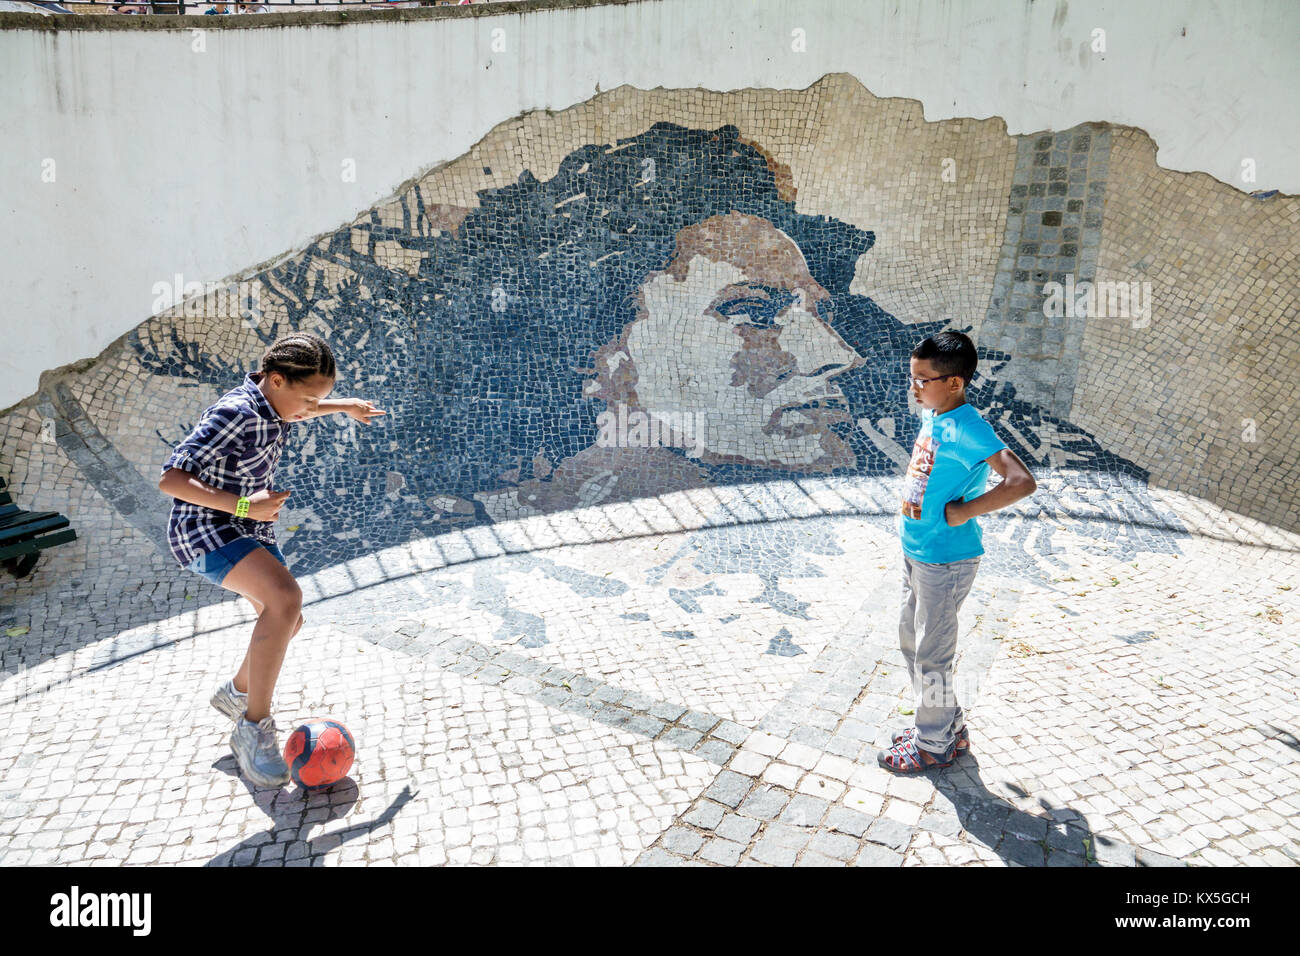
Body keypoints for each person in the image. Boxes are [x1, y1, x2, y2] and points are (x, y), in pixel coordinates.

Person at [157, 332, 386, 787]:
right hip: (205, 529)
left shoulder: (275, 402)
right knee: (286, 600)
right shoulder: (234, 413)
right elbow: (171, 480)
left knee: (287, 618)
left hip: (248, 527)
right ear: (276, 380)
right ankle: (252, 727)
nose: (308, 411)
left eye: (316, 402)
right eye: (306, 400)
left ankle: (237, 693)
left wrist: (343, 405)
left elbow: (303, 405)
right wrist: (244, 506)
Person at [878, 330, 1037, 773]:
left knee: (933, 655)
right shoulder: (935, 412)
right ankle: (947, 725)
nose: (915, 388)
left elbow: (1021, 481)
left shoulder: (969, 426)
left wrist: (963, 511)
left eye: (923, 380)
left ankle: (932, 744)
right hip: (918, 551)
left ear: (954, 382)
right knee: (912, 641)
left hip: (946, 560)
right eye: (913, 378)